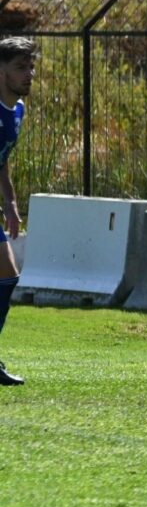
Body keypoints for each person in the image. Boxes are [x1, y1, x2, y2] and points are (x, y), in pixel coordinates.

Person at [0, 37, 37, 386]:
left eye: (31, 67)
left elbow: (2, 161)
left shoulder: (17, 112)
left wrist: (10, 203)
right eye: (19, 68)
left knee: (7, 278)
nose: (29, 74)